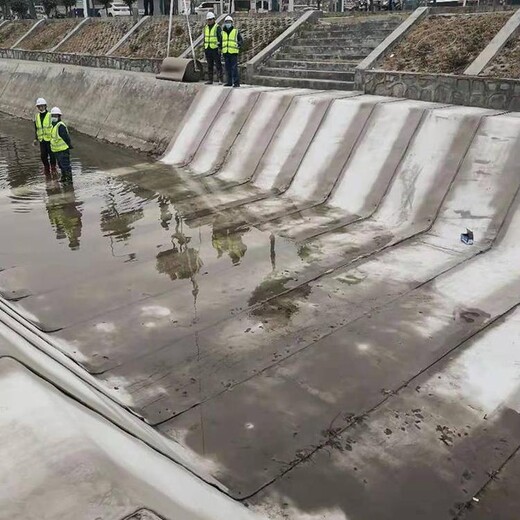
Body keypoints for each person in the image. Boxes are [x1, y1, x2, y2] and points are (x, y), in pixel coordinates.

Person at [34, 97, 57, 177]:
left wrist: (55, 138)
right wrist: (36, 138)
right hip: (42, 140)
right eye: (39, 106)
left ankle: (53, 168)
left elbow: (55, 127)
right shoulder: (37, 116)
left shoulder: (50, 115)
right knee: (43, 156)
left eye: (42, 106)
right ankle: (46, 168)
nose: (40, 107)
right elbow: (36, 128)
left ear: (45, 106)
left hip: (50, 139)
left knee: (52, 155)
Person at [49, 107, 73, 184]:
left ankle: (69, 180)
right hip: (57, 150)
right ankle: (64, 178)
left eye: (55, 116)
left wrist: (69, 145)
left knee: (65, 165)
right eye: (53, 116)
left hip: (63, 150)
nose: (54, 117)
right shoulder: (53, 125)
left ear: (59, 116)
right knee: (61, 165)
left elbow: (66, 137)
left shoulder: (60, 125)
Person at [221, 15, 243, 88]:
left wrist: (238, 44)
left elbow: (241, 40)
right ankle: (229, 82)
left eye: (229, 22)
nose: (228, 24)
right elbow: (221, 41)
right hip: (226, 52)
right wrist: (220, 47)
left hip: (233, 52)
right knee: (227, 68)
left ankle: (236, 83)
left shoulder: (236, 31)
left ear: (232, 23)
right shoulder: (222, 32)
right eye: (227, 22)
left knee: (234, 68)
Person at [204, 11, 223, 85]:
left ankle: (220, 79)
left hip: (215, 48)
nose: (209, 21)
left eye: (210, 19)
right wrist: (204, 47)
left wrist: (220, 47)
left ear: (214, 19)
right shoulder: (206, 27)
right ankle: (210, 79)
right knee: (209, 65)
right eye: (208, 20)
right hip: (208, 48)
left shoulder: (217, 27)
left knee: (218, 64)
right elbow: (205, 38)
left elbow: (220, 38)